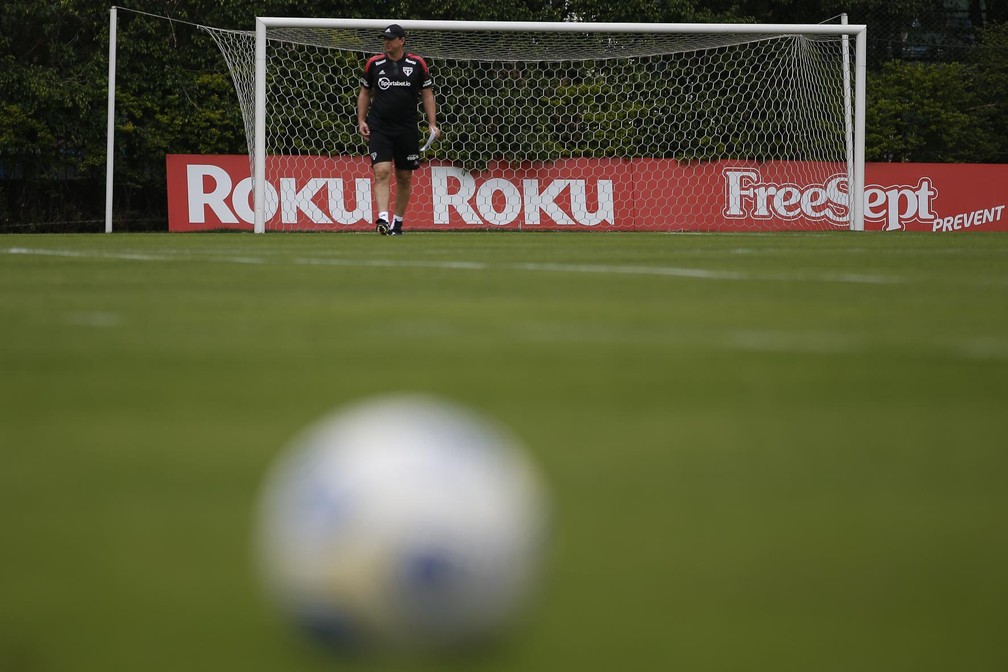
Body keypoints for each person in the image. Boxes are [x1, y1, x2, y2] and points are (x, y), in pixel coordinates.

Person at [357, 24, 439, 236]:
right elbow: (365, 93)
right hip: (380, 128)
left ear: (402, 40)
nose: (386, 42)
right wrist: (361, 120)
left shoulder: (417, 63)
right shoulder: (374, 64)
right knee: (381, 172)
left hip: (407, 129)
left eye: (391, 38)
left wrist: (432, 123)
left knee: (404, 177)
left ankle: (397, 223)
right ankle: (382, 219)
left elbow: (427, 94)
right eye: (384, 38)